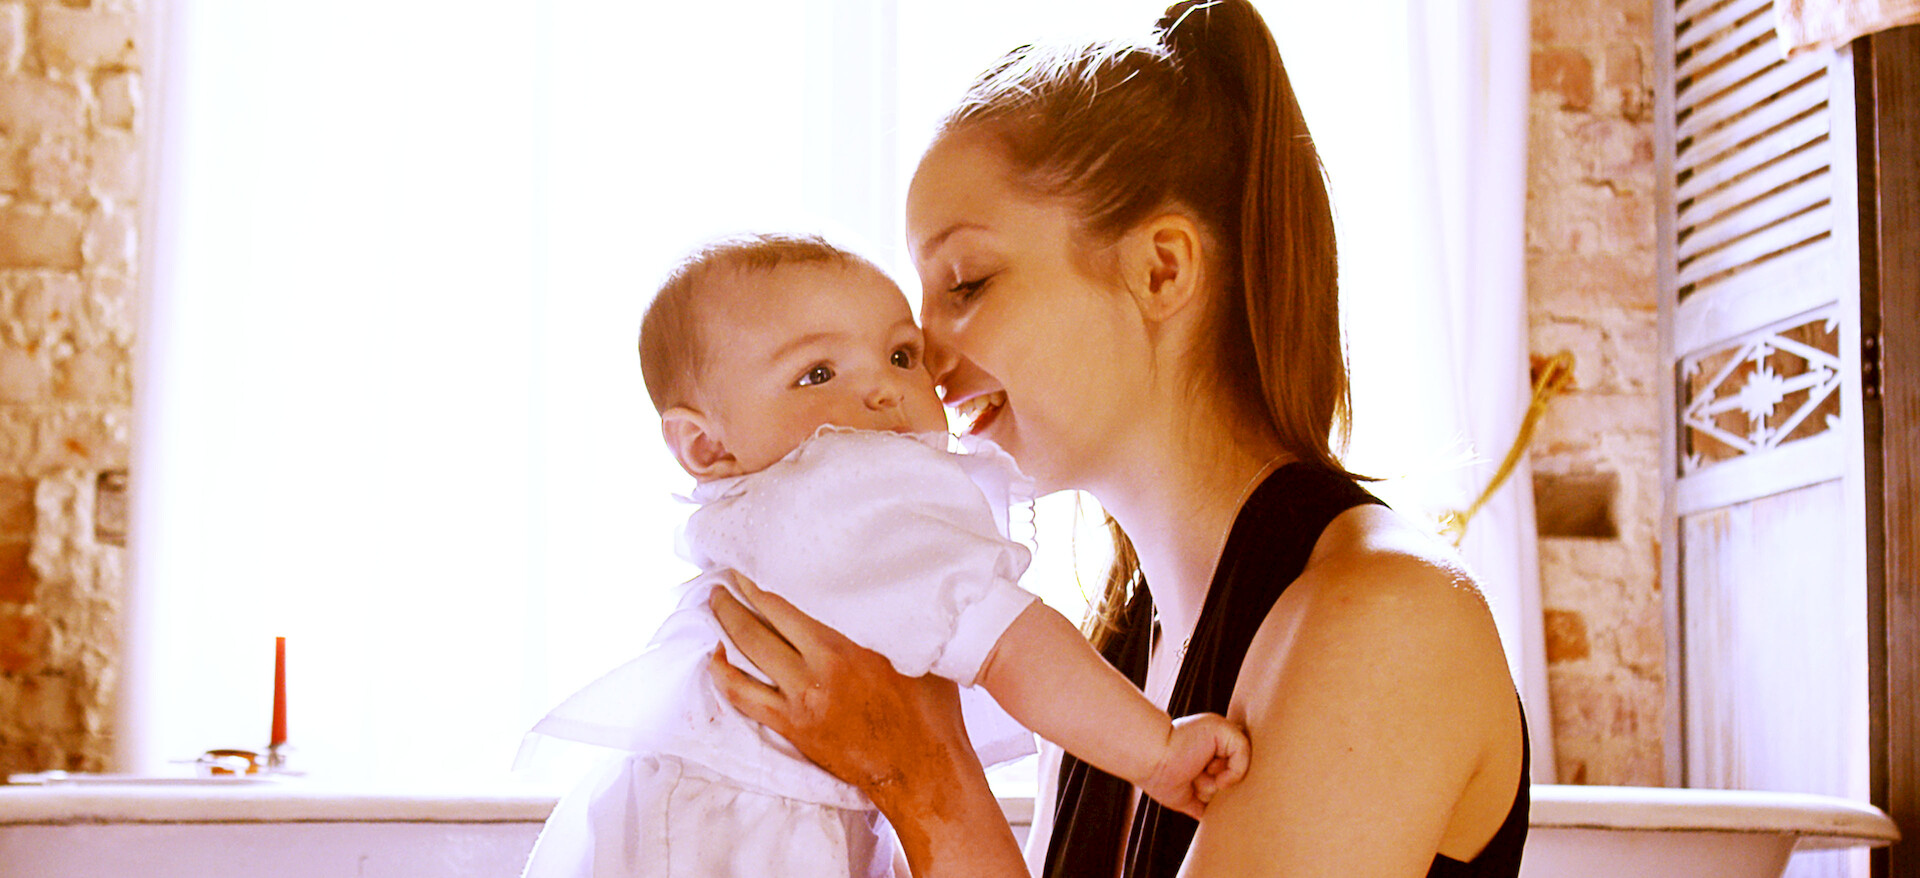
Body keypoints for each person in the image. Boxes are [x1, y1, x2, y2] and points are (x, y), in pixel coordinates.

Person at [704, 2, 1531, 877]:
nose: (925, 362)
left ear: (1160, 270)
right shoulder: (1105, 663)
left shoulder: (1388, 617)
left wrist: (918, 767)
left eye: (968, 283)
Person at [518, 233, 1249, 878]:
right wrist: (1156, 752)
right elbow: (1009, 642)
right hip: (752, 834)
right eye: (817, 373)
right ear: (706, 445)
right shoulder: (849, 486)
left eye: (902, 356)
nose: (882, 389)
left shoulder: (772, 516)